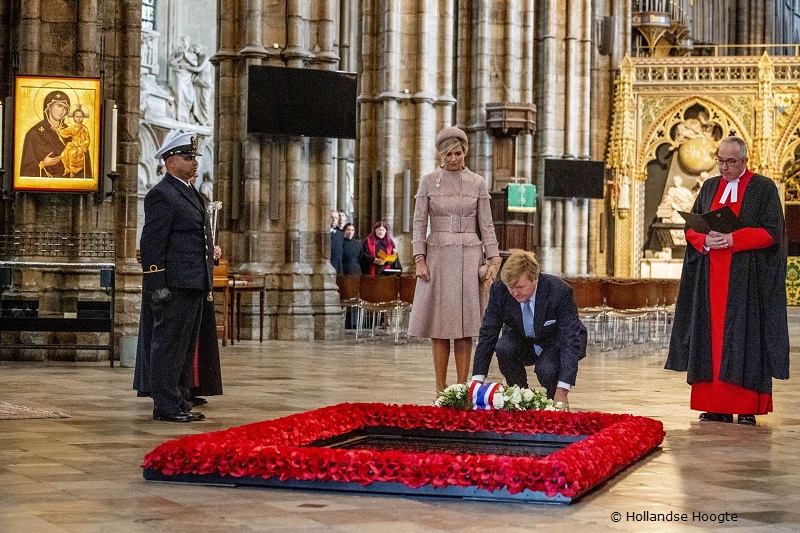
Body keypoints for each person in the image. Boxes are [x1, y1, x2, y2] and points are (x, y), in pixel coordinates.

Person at [665, 136, 789, 426]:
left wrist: (734, 238)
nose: (724, 167)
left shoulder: (763, 187)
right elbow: (691, 226)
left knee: (746, 339)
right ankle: (714, 405)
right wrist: (704, 239)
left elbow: (772, 232)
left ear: (744, 160)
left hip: (747, 281)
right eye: (720, 160)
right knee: (710, 341)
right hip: (710, 280)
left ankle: (746, 407)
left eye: (730, 161)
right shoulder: (709, 187)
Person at [407, 126, 501, 394]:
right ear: (440, 155)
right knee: (439, 325)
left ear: (465, 153)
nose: (453, 159)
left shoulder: (477, 183)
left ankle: (461, 388)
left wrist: (493, 259)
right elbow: (418, 223)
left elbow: (487, 224)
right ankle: (440, 386)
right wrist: (419, 258)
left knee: (465, 327)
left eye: (458, 153)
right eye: (448, 154)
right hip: (437, 254)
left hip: (469, 256)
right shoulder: (427, 181)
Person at [133, 132, 216, 422]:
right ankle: (164, 406)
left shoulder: (190, 192)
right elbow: (152, 243)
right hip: (174, 284)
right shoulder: (162, 194)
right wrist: (157, 285)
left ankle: (179, 400)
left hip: (193, 282)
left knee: (184, 347)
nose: (195, 163)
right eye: (188, 157)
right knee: (168, 346)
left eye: (195, 158)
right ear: (171, 162)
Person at [471, 250, 587, 405]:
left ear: (535, 278)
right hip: (522, 338)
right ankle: (519, 397)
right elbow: (488, 333)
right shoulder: (500, 290)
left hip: (555, 340)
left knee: (546, 369)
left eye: (520, 287)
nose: (514, 292)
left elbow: (570, 339)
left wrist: (563, 388)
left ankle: (554, 402)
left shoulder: (559, 291)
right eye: (510, 287)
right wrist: (477, 381)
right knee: (504, 347)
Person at [19, 90, 72, 177]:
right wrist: (43, 164)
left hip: (69, 184)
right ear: (49, 107)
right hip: (43, 184)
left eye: (65, 108)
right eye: (59, 106)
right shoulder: (34, 134)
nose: (62, 110)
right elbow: (26, 170)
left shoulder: (71, 132)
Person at [59, 106, 92, 178]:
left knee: (73, 153)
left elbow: (87, 140)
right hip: (73, 145)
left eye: (80, 116)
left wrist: (82, 147)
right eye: (77, 116)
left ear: (83, 117)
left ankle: (73, 171)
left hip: (80, 147)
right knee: (64, 154)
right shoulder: (72, 127)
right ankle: (67, 169)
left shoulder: (84, 129)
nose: (78, 118)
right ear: (74, 117)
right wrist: (58, 130)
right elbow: (65, 132)